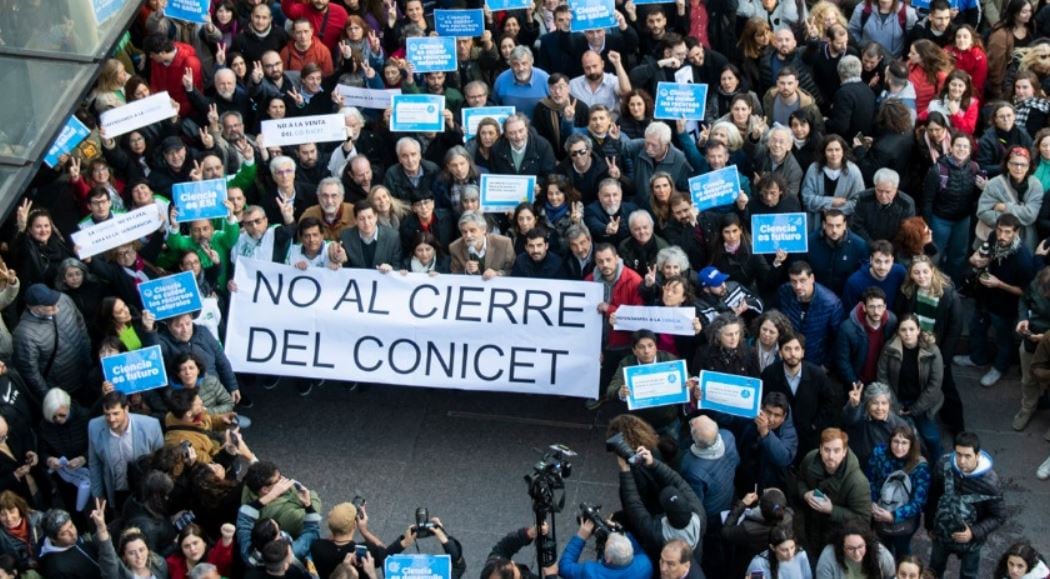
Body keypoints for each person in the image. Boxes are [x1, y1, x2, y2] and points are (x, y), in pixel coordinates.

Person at [954, 214, 1038, 388]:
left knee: (1003, 339)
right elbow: (984, 250)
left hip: (1005, 306)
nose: (1002, 236)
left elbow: (1024, 291)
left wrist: (999, 284)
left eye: (1007, 232)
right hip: (984, 296)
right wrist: (976, 258)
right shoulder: (994, 237)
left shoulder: (1023, 259)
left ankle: (999, 368)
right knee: (976, 328)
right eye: (999, 230)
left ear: (1017, 232)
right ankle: (977, 358)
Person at [897, 256, 965, 434]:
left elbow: (954, 328)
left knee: (946, 385)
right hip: (914, 343)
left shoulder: (948, 295)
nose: (921, 276)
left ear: (932, 271)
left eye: (925, 271)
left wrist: (944, 357)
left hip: (937, 349)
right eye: (916, 272)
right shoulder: (910, 291)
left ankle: (958, 428)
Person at [925, 431, 1006, 579]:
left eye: (967, 456)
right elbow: (933, 496)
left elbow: (998, 516)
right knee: (934, 571)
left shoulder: (991, 483)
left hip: (971, 542)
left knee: (968, 575)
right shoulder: (943, 464)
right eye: (958, 454)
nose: (962, 461)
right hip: (941, 534)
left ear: (977, 455)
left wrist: (973, 532)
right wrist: (929, 525)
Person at [618, 447, 706, 565]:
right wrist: (653, 463)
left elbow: (634, 506)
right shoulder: (699, 513)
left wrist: (625, 471)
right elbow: (679, 483)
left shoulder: (656, 533)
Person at [12, 284, 93, 408]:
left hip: (84, 370)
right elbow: (31, 373)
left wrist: (87, 355)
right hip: (63, 388)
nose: (57, 308)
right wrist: (49, 397)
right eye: (49, 307)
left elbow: (80, 323)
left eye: (55, 302)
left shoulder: (63, 299)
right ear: (34, 308)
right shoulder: (24, 334)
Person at [762, 333, 840, 457]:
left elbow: (829, 402)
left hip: (809, 436)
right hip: (779, 435)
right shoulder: (769, 374)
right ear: (780, 352)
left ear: (803, 352)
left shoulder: (817, 374)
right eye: (787, 349)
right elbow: (763, 402)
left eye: (797, 349)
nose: (792, 354)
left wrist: (815, 425)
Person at [679, 415, 738, 577]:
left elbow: (695, 501)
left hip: (711, 513)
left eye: (693, 427)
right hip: (728, 498)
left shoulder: (692, 466)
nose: (691, 422)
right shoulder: (728, 436)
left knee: (712, 547)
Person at [877, 314, 944, 457]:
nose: (908, 334)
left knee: (932, 438)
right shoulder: (889, 348)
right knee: (893, 438)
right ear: (898, 332)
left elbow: (935, 384)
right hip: (897, 400)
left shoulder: (932, 351)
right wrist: (895, 405)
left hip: (922, 403)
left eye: (912, 329)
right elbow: (882, 377)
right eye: (903, 330)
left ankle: (939, 468)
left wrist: (915, 409)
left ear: (919, 330)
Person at [797, 429, 872, 556]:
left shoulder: (858, 482)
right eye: (826, 450)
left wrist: (832, 510)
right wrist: (805, 494)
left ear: (844, 452)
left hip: (838, 534)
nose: (831, 456)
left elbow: (863, 519)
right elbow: (800, 480)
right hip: (812, 525)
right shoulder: (810, 459)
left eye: (836, 451)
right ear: (820, 449)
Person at [922, 131, 982, 285]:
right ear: (951, 147)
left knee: (958, 255)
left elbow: (975, 197)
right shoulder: (938, 170)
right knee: (935, 254)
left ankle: (952, 286)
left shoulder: (974, 168)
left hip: (963, 220)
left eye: (965, 147)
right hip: (940, 219)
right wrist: (927, 224)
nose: (961, 149)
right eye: (958, 146)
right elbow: (927, 199)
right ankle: (932, 285)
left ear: (970, 150)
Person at [87, 392, 164, 507]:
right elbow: (95, 464)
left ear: (126, 409)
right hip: (117, 491)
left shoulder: (150, 426)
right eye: (107, 414)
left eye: (115, 413)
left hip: (145, 491)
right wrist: (98, 494)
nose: (111, 419)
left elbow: (161, 461)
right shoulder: (94, 427)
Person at [868, 426, 930, 558]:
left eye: (904, 443)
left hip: (904, 517)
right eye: (895, 441)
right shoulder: (879, 453)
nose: (899, 447)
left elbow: (919, 501)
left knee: (902, 549)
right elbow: (871, 480)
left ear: (911, 444)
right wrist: (872, 502)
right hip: (880, 509)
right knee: (883, 548)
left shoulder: (920, 466)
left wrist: (893, 516)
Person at [777, 261, 845, 369]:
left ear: (812, 278)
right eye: (793, 281)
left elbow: (838, 338)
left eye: (802, 281)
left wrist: (827, 365)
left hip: (816, 362)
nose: (798, 286)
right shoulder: (785, 292)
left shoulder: (831, 303)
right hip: (788, 357)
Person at [836, 287, 898, 387]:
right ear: (864, 307)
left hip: (882, 381)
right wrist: (855, 382)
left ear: (885, 307)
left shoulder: (892, 322)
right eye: (871, 307)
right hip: (858, 381)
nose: (876, 311)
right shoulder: (847, 328)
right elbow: (842, 360)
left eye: (879, 306)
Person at [557, 517, 653, 578]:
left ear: (608, 560)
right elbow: (639, 549)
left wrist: (580, 537)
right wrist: (621, 533)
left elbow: (564, 567)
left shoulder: (590, 572)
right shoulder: (645, 564)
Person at [800, 136, 865, 226]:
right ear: (824, 152)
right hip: (816, 222)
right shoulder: (813, 169)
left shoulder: (853, 171)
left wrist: (834, 212)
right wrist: (831, 202)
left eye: (837, 149)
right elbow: (806, 198)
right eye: (829, 150)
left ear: (843, 151)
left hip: (844, 224)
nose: (834, 153)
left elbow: (859, 202)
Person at [807, 210, 869, 296]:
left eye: (838, 226)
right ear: (824, 225)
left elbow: (863, 275)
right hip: (816, 296)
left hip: (846, 296)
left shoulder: (859, 245)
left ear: (845, 225)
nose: (834, 230)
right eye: (830, 225)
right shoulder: (810, 242)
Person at [329, 200, 403, 271]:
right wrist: (339, 262)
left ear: (376, 217)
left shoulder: (392, 237)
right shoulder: (346, 237)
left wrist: (391, 268)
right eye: (361, 219)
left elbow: (398, 266)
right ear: (355, 220)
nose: (366, 223)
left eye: (369, 217)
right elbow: (345, 266)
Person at [852, 170, 917, 249]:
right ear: (875, 187)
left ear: (896, 189)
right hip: (867, 244)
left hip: (895, 248)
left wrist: (888, 248)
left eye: (888, 192)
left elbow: (906, 232)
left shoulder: (907, 204)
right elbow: (857, 225)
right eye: (879, 191)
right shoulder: (864, 198)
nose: (883, 195)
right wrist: (871, 244)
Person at [842, 241, 908, 311]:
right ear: (871, 260)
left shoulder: (900, 273)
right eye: (878, 261)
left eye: (887, 261)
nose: (882, 267)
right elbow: (849, 313)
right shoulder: (855, 283)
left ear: (892, 260)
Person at [448, 211, 516, 278]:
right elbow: (455, 275)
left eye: (472, 230)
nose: (468, 235)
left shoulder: (504, 244)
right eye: (464, 232)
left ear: (483, 229)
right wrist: (466, 271)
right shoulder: (455, 248)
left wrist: (497, 274)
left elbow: (513, 270)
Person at [38, 508, 102, 578]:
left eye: (71, 526)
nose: (73, 533)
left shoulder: (70, 540)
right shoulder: (57, 570)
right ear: (53, 539)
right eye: (64, 533)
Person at [814, 526, 897, 578]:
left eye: (860, 547)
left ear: (867, 544)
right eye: (850, 548)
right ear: (841, 547)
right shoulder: (828, 557)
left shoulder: (881, 554)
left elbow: (892, 576)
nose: (857, 554)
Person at [825, 56, 876, 140]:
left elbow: (841, 127)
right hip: (864, 139)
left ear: (840, 72)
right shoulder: (868, 90)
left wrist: (826, 122)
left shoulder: (843, 93)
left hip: (848, 142)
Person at [745, 525, 812, 579]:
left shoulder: (801, 555)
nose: (790, 554)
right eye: (784, 550)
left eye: (792, 547)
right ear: (772, 547)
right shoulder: (758, 564)